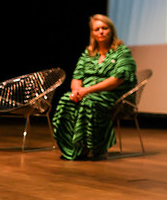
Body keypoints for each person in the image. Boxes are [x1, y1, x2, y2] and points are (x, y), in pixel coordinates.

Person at [52, 14, 137, 160]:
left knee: (90, 101)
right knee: (66, 100)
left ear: (111, 31)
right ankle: (74, 147)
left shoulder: (122, 52)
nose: (101, 32)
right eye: (97, 29)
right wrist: (77, 91)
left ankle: (96, 147)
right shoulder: (89, 53)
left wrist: (87, 90)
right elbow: (77, 77)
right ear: (92, 33)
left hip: (114, 96)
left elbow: (117, 80)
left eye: (105, 28)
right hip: (87, 93)